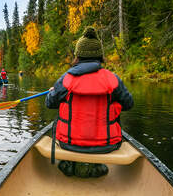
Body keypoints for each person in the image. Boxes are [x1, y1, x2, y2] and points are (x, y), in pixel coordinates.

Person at [45, 26, 134, 178]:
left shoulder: (66, 79)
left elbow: (49, 103)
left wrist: (53, 91)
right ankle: (95, 166)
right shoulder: (113, 79)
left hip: (68, 144)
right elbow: (129, 104)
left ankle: (70, 164)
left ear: (77, 56)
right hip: (108, 145)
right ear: (100, 56)